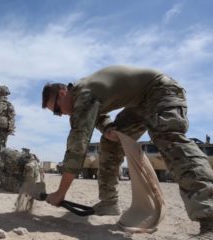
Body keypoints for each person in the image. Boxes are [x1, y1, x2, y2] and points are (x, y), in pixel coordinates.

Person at [41, 65, 213, 238]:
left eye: (57, 110)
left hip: (160, 90)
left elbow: (77, 146)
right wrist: (108, 127)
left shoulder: (83, 94)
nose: (60, 114)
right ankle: (109, 202)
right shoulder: (84, 94)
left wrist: (60, 194)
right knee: (111, 142)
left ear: (62, 93)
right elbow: (97, 113)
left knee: (169, 140)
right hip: (140, 102)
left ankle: (210, 219)